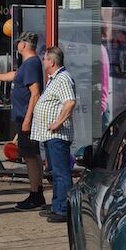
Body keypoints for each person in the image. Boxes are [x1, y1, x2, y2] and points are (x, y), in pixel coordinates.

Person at [0, 31, 45, 210]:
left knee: (30, 156)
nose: (17, 45)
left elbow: (35, 93)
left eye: (19, 42)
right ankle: (37, 192)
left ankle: (35, 195)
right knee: (32, 155)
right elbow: (14, 75)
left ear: (23, 45)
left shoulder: (31, 63)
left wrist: (27, 119)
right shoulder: (28, 64)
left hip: (26, 117)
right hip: (23, 116)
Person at [31, 46, 76, 224]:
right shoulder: (54, 79)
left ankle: (64, 209)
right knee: (55, 172)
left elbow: (70, 102)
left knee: (61, 173)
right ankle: (57, 205)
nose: (43, 62)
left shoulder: (63, 78)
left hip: (58, 135)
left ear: (51, 61)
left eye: (45, 59)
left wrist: (58, 123)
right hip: (50, 135)